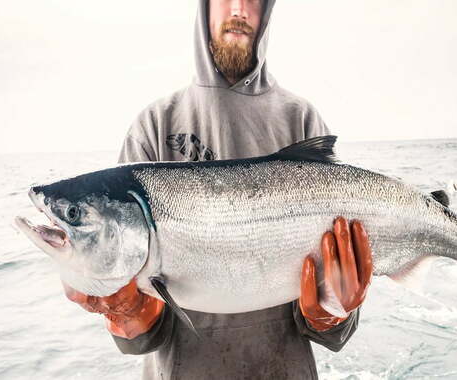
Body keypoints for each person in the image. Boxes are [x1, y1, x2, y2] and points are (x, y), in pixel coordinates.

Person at [62, 0, 374, 378]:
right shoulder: (155, 125)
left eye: (255, 1)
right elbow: (142, 334)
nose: (240, 10)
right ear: (204, 8)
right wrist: (127, 314)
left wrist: (332, 311)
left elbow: (331, 329)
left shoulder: (301, 119)